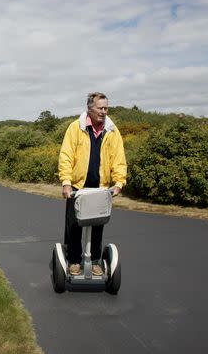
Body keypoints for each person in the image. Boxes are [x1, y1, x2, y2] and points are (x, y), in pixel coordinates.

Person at [58, 92, 127, 276]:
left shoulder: (111, 130)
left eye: (106, 108)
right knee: (74, 225)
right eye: (100, 108)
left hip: (100, 187)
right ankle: (74, 260)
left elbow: (119, 159)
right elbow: (66, 156)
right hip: (77, 186)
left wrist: (119, 182)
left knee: (98, 225)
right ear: (90, 108)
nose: (104, 112)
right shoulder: (76, 128)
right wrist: (66, 182)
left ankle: (95, 261)